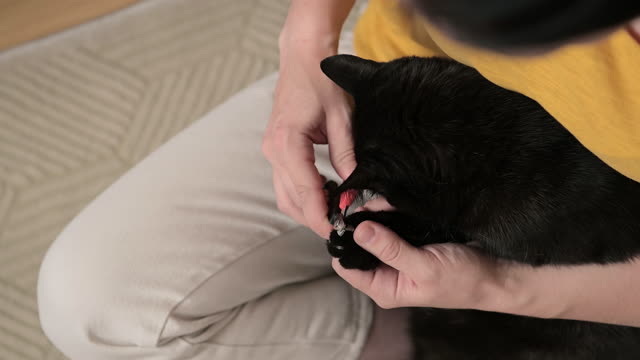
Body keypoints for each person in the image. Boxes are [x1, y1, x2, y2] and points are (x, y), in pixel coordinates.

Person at [38, 1, 640, 360]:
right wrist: (304, 49)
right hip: (394, 93)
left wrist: (496, 289)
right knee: (98, 306)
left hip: (605, 227)